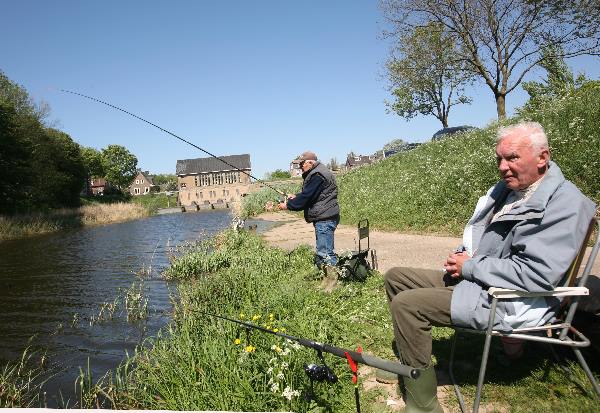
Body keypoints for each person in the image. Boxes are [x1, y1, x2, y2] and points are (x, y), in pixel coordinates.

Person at [383, 122, 596, 412]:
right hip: (485, 280)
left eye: (512, 158)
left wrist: (470, 267)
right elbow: (488, 241)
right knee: (396, 277)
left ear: (543, 158)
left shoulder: (564, 204)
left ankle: (423, 401)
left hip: (512, 299)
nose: (503, 166)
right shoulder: (514, 191)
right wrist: (465, 254)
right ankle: (413, 361)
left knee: (407, 305)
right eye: (499, 159)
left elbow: (536, 275)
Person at [278, 151, 340, 270]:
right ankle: (326, 276)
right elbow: (314, 194)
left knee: (325, 253)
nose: (300, 167)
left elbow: (306, 198)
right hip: (326, 216)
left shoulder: (317, 175)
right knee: (324, 250)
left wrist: (288, 205)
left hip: (325, 219)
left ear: (311, 162)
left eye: (302, 164)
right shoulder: (319, 172)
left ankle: (332, 282)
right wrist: (296, 196)